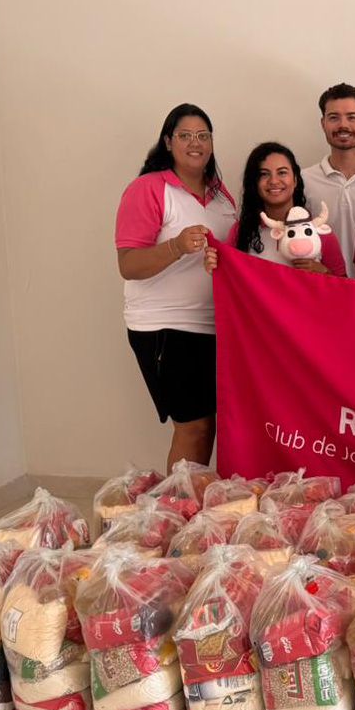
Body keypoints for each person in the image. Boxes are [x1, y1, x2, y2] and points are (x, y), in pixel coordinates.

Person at [115, 103, 236, 471]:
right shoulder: (148, 189)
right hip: (165, 326)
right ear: (168, 141)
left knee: (208, 425)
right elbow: (128, 265)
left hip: (213, 326)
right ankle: (177, 503)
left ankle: (187, 500)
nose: (195, 143)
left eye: (203, 136)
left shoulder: (222, 196)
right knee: (193, 426)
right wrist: (176, 247)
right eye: (185, 135)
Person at [203, 142, 346, 276]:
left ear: (295, 180)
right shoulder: (241, 232)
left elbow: (346, 287)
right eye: (264, 174)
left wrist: (323, 272)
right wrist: (215, 265)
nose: (274, 181)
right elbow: (229, 278)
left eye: (282, 172)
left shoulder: (320, 231)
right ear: (255, 183)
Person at [302, 83, 355, 276]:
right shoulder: (302, 181)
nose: (343, 125)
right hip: (320, 289)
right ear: (323, 123)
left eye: (352, 117)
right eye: (334, 117)